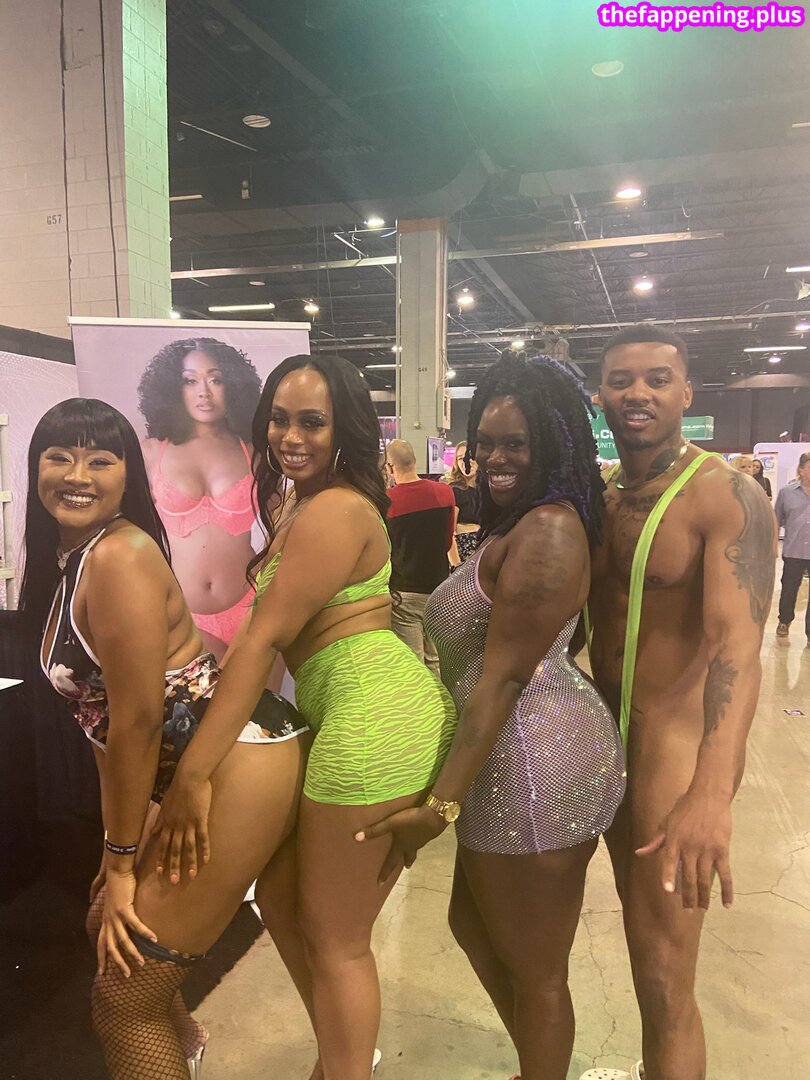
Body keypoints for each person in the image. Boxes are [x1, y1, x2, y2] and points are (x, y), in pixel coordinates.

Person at [154, 355, 457, 1080]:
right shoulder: (304, 504)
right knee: (285, 901)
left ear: (344, 429)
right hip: (354, 709)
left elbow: (261, 642)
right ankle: (340, 1058)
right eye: (280, 419)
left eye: (312, 422)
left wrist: (194, 775)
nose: (291, 437)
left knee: (337, 939)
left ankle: (346, 1067)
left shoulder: (337, 510)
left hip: (375, 721)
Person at [18, 398, 310, 1080]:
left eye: (100, 459)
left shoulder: (120, 556)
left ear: (128, 475)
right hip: (187, 765)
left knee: (122, 1000)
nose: (77, 475)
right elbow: (108, 732)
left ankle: (166, 1044)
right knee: (105, 926)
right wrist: (115, 848)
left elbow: (139, 722)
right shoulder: (76, 558)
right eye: (59, 457)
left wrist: (125, 862)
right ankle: (186, 1045)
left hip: (234, 760)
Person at [358, 354, 626, 1080]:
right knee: (472, 925)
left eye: (518, 443)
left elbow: (504, 677)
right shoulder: (522, 523)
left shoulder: (549, 531)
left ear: (554, 444)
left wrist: (438, 807)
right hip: (506, 747)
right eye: (487, 442)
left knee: (538, 969)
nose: (497, 459)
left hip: (536, 759)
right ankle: (542, 1067)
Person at [580, 325, 776, 1080]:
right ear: (600, 395)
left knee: (664, 978)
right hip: (598, 741)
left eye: (657, 379)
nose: (638, 393)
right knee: (631, 954)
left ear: (687, 392)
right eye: (621, 380)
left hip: (671, 751)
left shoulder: (725, 495)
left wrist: (711, 793)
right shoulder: (601, 497)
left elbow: (738, 652)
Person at [138, 338, 263, 659]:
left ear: (233, 387)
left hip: (251, 607)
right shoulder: (151, 452)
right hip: (181, 614)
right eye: (190, 381)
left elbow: (280, 531)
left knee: (256, 696)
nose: (204, 392)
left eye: (216, 380)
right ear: (172, 388)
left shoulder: (253, 453)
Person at [385, 438, 457, 675]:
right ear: (415, 461)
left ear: (389, 467)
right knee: (435, 660)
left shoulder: (387, 501)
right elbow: (448, 541)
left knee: (413, 664)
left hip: (405, 591)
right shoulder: (444, 492)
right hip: (438, 587)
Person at [775, 450, 810, 643]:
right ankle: (784, 621)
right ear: (801, 470)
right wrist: (773, 545)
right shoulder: (786, 493)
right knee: (789, 589)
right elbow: (776, 519)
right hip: (794, 551)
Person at [445, 439, 480, 562]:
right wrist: (456, 565)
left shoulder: (487, 490)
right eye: (460, 458)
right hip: (464, 553)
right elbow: (449, 532)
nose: (465, 461)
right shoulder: (454, 490)